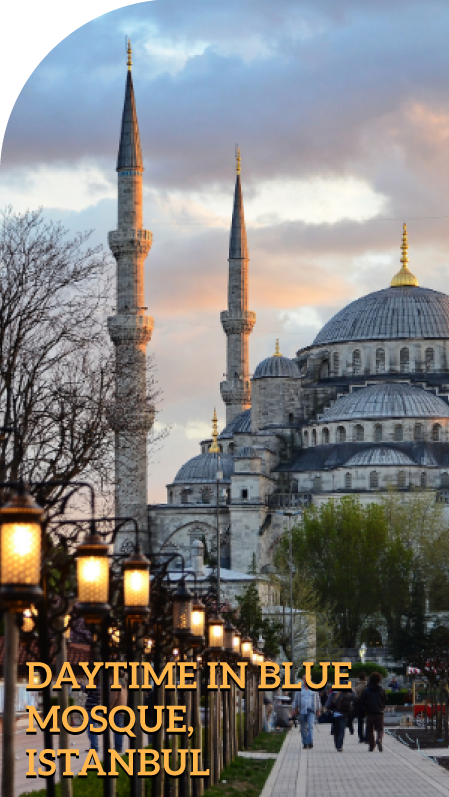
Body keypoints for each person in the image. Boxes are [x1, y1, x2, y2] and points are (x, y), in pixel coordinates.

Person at [326, 685, 356, 752]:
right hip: (344, 714)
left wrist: (327, 708)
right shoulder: (348, 694)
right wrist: (352, 690)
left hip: (335, 714)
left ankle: (337, 745)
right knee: (341, 730)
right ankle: (339, 746)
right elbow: (355, 697)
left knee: (336, 730)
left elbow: (328, 704)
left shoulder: (333, 694)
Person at [361, 671, 386, 752]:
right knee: (380, 729)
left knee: (370, 730)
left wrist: (365, 708)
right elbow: (385, 700)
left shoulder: (367, 690)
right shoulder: (381, 689)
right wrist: (382, 706)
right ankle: (379, 739)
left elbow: (362, 701)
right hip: (379, 712)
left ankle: (372, 745)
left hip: (370, 712)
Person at [293, 677, 321, 749]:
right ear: (303, 680)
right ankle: (305, 742)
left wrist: (318, 709)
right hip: (302, 710)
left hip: (311, 710)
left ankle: (310, 741)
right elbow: (295, 700)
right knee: (303, 728)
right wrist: (294, 709)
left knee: (310, 726)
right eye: (305, 679)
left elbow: (317, 699)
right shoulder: (299, 689)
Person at [81, 672, 102, 753]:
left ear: (95, 680)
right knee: (93, 729)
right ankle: (94, 746)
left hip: (92, 711)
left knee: (91, 730)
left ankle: (94, 746)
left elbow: (84, 688)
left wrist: (78, 684)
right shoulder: (98, 687)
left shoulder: (95, 687)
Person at [110, 676, 128, 752]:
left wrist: (109, 707)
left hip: (116, 709)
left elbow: (114, 698)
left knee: (117, 729)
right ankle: (119, 746)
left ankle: (118, 747)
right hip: (122, 709)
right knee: (120, 728)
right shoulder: (124, 688)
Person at [353, 671, 368, 743]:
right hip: (367, 705)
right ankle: (367, 737)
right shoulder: (368, 686)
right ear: (365, 678)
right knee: (368, 722)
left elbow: (353, 697)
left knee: (360, 722)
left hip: (359, 706)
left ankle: (361, 737)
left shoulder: (356, 687)